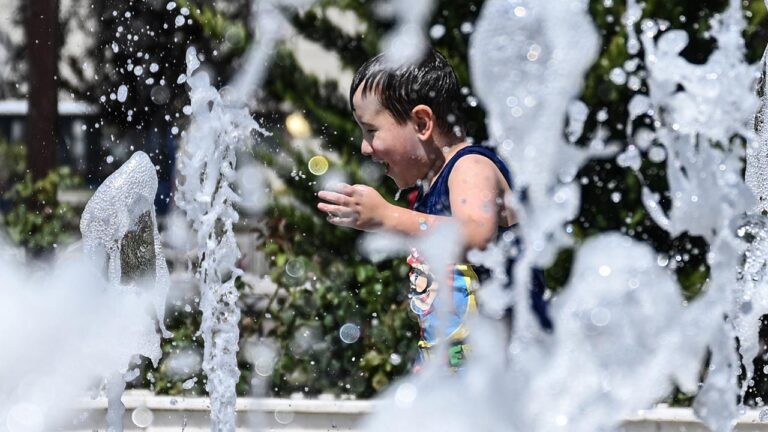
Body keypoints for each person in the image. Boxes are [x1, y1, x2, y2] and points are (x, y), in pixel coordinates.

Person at [317, 48, 549, 370]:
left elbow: (476, 233)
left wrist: (386, 216)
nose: (364, 147)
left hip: (515, 373)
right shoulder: (431, 191)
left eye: (371, 131)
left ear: (422, 122)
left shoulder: (470, 166)